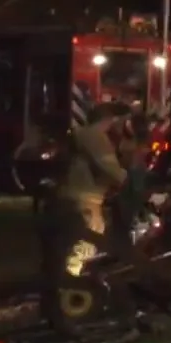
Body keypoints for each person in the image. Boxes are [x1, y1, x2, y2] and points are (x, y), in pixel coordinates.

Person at [45, 102, 132, 330]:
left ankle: (66, 287)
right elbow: (111, 169)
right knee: (88, 241)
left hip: (75, 195)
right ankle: (74, 290)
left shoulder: (80, 136)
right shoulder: (95, 137)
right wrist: (127, 177)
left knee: (78, 242)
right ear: (111, 120)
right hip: (86, 197)